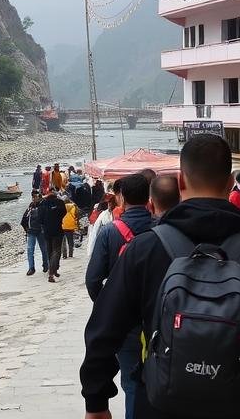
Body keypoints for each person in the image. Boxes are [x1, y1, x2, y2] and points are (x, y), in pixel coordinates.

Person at [80, 134, 240, 419]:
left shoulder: (146, 249)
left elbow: (103, 329)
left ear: (180, 182)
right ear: (229, 183)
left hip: (158, 404)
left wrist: (96, 400)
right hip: (234, 405)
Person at [85, 174, 154, 419]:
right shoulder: (163, 229)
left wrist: (109, 308)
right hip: (160, 320)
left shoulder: (109, 232)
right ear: (149, 197)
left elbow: (92, 280)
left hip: (126, 324)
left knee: (132, 381)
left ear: (121, 197)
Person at [38, 189, 67, 282]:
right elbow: (64, 213)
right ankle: (52, 272)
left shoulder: (42, 204)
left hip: (46, 231)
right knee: (56, 251)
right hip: (58, 229)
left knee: (49, 251)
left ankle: (54, 270)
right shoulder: (60, 203)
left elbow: (40, 219)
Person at [21, 191, 48, 276]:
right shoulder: (30, 207)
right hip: (31, 231)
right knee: (30, 250)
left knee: (44, 250)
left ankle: (45, 264)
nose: (34, 198)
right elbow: (24, 219)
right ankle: (31, 268)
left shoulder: (43, 206)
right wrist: (26, 230)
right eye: (33, 197)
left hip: (40, 231)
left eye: (35, 196)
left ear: (39, 197)